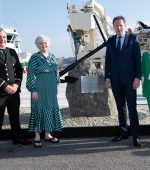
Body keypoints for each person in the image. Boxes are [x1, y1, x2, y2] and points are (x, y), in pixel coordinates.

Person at [105, 16, 142, 147]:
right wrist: (107, 77)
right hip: (115, 80)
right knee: (121, 108)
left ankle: (136, 136)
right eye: (116, 26)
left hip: (130, 80)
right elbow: (108, 61)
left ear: (125, 25)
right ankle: (123, 132)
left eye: (121, 25)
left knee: (132, 108)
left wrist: (138, 77)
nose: (119, 28)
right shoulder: (110, 41)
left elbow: (138, 61)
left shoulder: (133, 39)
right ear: (113, 27)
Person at [26, 35, 63, 148]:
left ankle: (47, 134)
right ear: (37, 45)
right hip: (39, 89)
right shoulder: (34, 57)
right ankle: (37, 135)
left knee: (49, 110)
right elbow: (31, 74)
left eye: (45, 43)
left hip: (51, 90)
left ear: (49, 44)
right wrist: (33, 90)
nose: (44, 45)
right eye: (41, 43)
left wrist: (56, 85)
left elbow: (56, 73)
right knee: (38, 110)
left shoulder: (53, 57)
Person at [0, 27, 31, 145]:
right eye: (0, 37)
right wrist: (4, 86)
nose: (2, 39)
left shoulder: (12, 52)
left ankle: (17, 139)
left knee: (14, 117)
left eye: (3, 37)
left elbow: (19, 70)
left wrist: (17, 85)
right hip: (1, 92)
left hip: (13, 91)